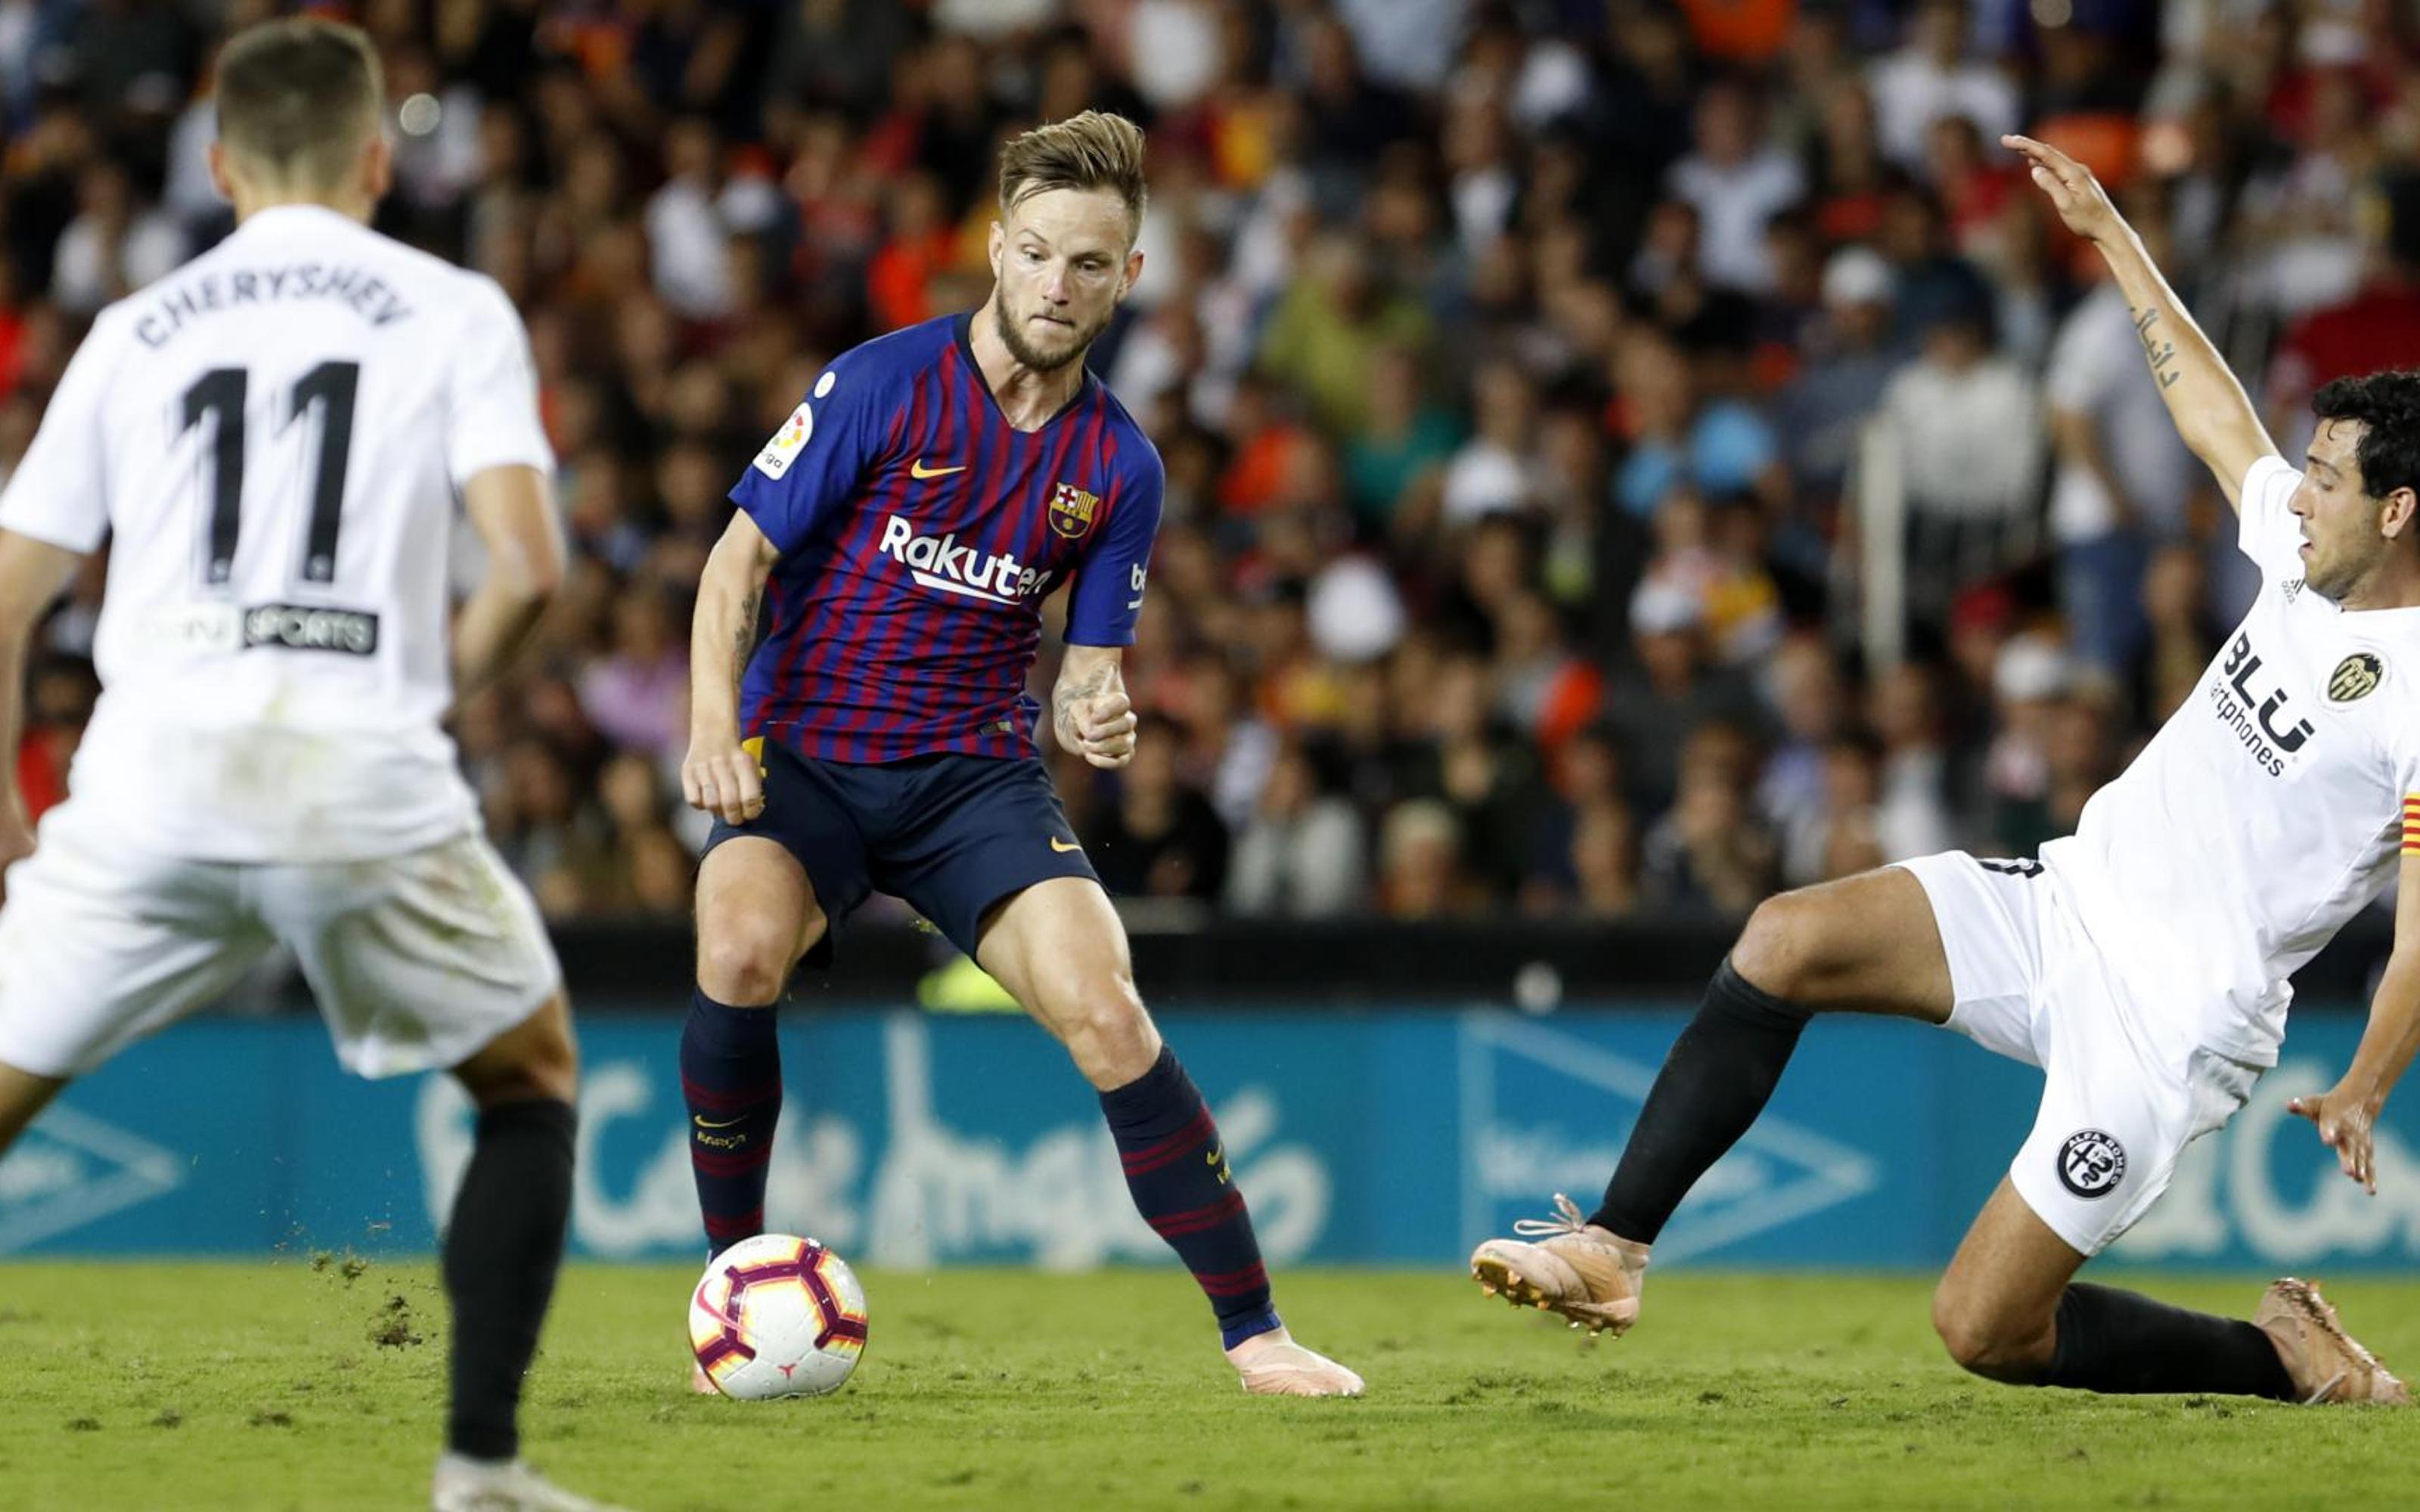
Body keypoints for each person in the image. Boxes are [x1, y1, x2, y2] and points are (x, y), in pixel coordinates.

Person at [1468, 134, 2420, 1408]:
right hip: (2063, 905)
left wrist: (2365, 1085)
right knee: (1785, 938)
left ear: (2399, 510)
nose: (2293, 497)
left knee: (1985, 1329)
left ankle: (2282, 1361)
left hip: (2171, 1024)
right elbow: (2211, 410)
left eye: (2324, 480)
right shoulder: (2304, 561)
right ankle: (1615, 1247)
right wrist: (2110, 238)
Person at [0, 20, 612, 1512]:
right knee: (527, 1079)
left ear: (215, 167)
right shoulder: (453, 309)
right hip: (360, 783)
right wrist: (433, 689)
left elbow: (7, 590)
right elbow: (530, 565)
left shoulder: (134, 329)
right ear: (373, 159)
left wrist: (8, 810)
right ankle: (478, 1467)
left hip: (149, 782)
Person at [677, 111, 1360, 1398]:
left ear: (1130, 277)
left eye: (1090, 264)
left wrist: (1098, 709)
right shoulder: (880, 383)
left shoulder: (1120, 468)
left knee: (1108, 1012)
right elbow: (737, 561)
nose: (1059, 284)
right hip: (809, 761)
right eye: (1038, 253)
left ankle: (1257, 1333)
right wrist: (714, 728)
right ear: (995, 248)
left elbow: (1091, 672)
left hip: (970, 787)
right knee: (736, 945)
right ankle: (735, 1297)